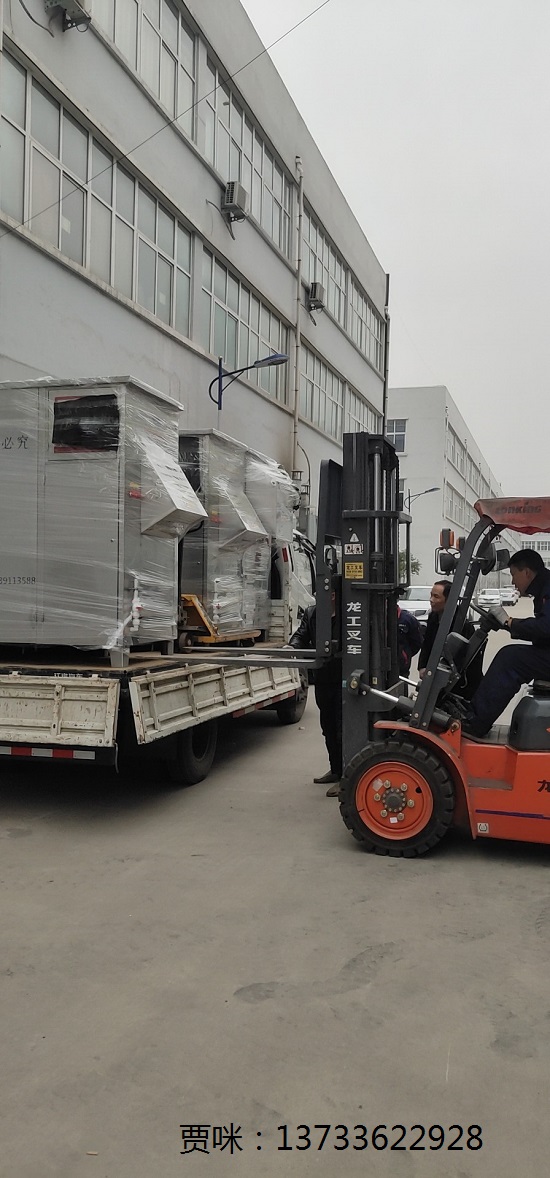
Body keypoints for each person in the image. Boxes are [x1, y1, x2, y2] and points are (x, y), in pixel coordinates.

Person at [463, 549, 550, 737]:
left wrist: (511, 623)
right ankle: (473, 712)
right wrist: (508, 626)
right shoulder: (543, 589)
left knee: (510, 658)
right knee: (513, 655)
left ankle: (475, 722)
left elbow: (546, 627)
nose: (512, 581)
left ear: (526, 572)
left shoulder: (548, 589)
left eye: (513, 574)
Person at [289, 587, 342, 797]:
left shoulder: (348, 614)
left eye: (323, 592)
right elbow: (301, 635)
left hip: (343, 680)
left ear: (334, 595)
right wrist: (293, 647)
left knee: (342, 729)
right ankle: (335, 770)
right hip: (323, 678)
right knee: (328, 727)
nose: (318, 597)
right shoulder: (312, 613)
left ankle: (346, 777)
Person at [418, 579, 483, 700]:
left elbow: (467, 661)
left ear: (449, 600)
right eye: (431, 595)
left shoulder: (462, 624)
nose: (431, 600)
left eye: (436, 597)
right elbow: (427, 644)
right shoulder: (433, 617)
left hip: (458, 682)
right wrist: (422, 666)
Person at [397, 606, 422, 680]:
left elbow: (416, 643)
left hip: (401, 668)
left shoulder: (408, 619)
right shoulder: (375, 618)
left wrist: (404, 655)